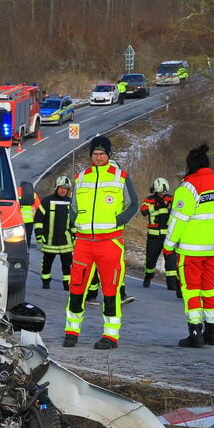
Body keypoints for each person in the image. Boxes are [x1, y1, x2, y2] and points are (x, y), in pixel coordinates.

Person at [62, 135, 139, 350]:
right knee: (76, 287)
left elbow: (133, 204)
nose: (98, 157)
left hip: (110, 242)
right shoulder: (81, 178)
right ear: (90, 156)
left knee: (110, 289)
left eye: (102, 153)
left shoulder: (121, 177)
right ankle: (71, 331)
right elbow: (73, 206)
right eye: (95, 154)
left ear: (109, 155)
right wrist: (75, 221)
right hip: (84, 242)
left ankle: (110, 335)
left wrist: (118, 221)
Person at [163, 144, 214, 348]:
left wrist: (168, 245)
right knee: (209, 288)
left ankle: (195, 333)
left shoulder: (188, 188)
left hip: (190, 250)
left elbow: (177, 220)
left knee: (191, 290)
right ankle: (212, 332)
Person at [34, 176, 74, 290]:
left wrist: (75, 236)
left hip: (66, 242)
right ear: (56, 188)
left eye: (65, 189)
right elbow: (38, 220)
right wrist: (39, 235)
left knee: (68, 266)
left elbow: (74, 222)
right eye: (61, 188)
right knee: (46, 264)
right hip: (49, 241)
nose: (63, 190)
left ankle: (67, 286)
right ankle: (45, 284)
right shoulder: (47, 201)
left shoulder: (71, 203)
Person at [139, 177, 179, 291]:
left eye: (164, 192)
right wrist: (159, 206)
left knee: (171, 262)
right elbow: (143, 211)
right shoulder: (149, 199)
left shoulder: (171, 198)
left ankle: (171, 285)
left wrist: (169, 207)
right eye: (161, 192)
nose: (163, 194)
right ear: (156, 190)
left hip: (168, 236)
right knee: (151, 260)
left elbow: (178, 209)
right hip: (153, 237)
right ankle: (148, 277)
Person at [16, 181, 41, 247]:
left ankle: (19, 249)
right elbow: (39, 207)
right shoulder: (33, 194)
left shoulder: (16, 192)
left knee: (18, 236)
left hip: (19, 219)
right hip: (29, 219)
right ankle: (27, 249)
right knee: (28, 236)